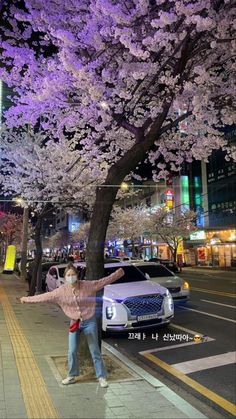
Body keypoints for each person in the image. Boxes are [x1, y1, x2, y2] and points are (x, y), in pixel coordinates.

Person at [20, 263, 125, 388]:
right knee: (72, 350)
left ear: (77, 275)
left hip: (89, 322)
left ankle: (101, 376)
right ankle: (72, 375)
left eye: (73, 274)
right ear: (65, 277)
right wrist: (27, 299)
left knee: (94, 350)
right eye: (68, 275)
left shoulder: (87, 285)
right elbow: (45, 296)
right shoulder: (61, 291)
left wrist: (119, 272)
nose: (71, 277)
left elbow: (103, 281)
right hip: (74, 323)